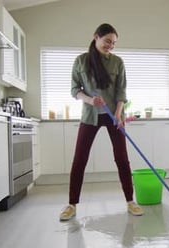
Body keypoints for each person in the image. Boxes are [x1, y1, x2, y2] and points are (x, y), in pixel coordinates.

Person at [59, 23, 143, 221]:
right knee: (80, 158)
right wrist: (90, 100)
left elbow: (122, 92)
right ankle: (71, 204)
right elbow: (74, 90)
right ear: (96, 37)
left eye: (113, 43)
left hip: (114, 116)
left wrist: (119, 115)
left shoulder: (117, 62)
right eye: (107, 41)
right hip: (90, 115)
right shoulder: (81, 61)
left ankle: (131, 201)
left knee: (122, 158)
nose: (110, 46)